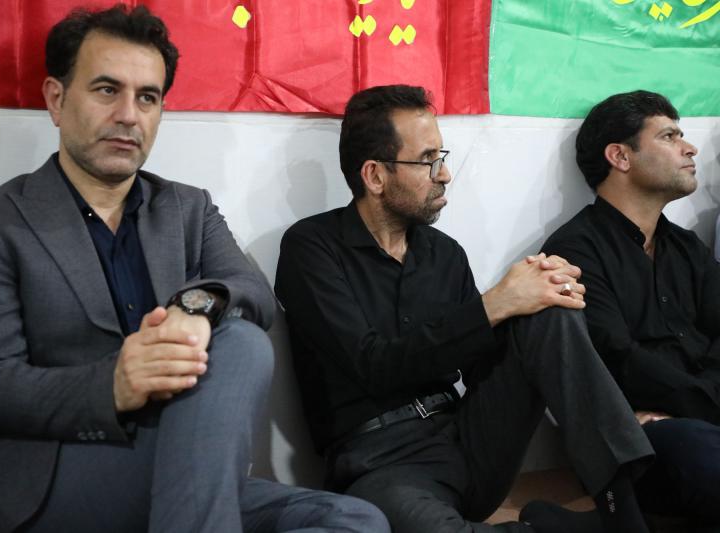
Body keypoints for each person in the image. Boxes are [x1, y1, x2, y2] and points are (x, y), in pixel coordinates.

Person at [0, 6, 388, 533]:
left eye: (147, 97)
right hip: (46, 474)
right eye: (107, 90)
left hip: (180, 454)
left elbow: (252, 292)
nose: (129, 115)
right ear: (56, 99)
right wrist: (112, 386)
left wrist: (193, 310)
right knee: (241, 344)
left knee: (356, 520)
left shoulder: (187, 208)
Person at [275, 84, 656, 533]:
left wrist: (531, 295)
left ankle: (622, 510)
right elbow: (371, 364)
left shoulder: (444, 253)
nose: (444, 174)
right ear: (375, 176)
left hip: (466, 440)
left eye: (442, 156)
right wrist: (493, 305)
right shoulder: (312, 248)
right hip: (381, 462)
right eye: (427, 160)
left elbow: (480, 366)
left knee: (547, 307)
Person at [542, 90, 720, 528]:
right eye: (669, 136)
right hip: (641, 440)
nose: (690, 148)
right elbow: (618, 359)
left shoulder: (687, 248)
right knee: (694, 446)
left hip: (700, 417)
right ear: (620, 156)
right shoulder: (574, 250)